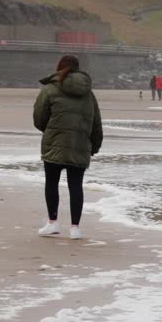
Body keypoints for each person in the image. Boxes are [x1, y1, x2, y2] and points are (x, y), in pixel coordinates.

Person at [33, 55, 103, 241]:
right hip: (80, 145)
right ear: (78, 69)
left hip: (54, 143)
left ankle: (53, 223)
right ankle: (75, 228)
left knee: (51, 182)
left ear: (59, 67)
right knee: (75, 186)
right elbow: (96, 123)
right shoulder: (89, 93)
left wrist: (51, 131)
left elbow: (39, 119)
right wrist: (94, 147)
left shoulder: (49, 89)